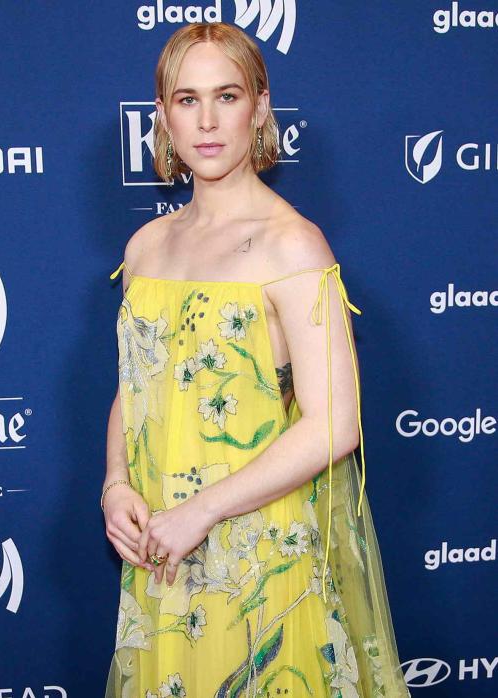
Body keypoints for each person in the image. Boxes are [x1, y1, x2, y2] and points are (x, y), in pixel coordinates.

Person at [103, 21, 411, 698]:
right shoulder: (146, 247)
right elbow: (139, 386)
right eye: (186, 100)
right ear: (162, 115)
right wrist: (116, 483)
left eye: (227, 96)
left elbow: (336, 423)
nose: (207, 120)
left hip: (260, 553)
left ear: (262, 108)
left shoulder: (294, 245)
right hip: (164, 549)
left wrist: (203, 512)